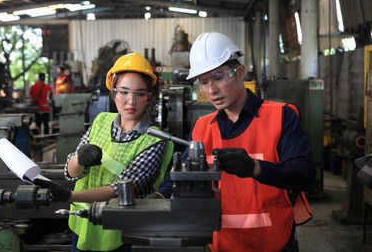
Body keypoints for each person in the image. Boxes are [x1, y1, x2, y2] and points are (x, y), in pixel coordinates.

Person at [154, 32, 315, 252]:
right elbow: (182, 173)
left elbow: (304, 175)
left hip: (273, 242)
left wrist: (255, 168)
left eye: (219, 77)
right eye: (203, 82)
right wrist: (159, 196)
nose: (211, 90)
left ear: (239, 72)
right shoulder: (202, 127)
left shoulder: (281, 116)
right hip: (218, 243)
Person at [35, 52, 173, 252]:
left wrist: (69, 196)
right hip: (83, 226)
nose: (131, 101)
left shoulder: (155, 139)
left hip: (122, 233)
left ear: (149, 96)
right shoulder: (101, 121)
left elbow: (119, 191)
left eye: (139, 93)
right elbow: (71, 172)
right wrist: (79, 158)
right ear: (113, 92)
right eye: (124, 92)